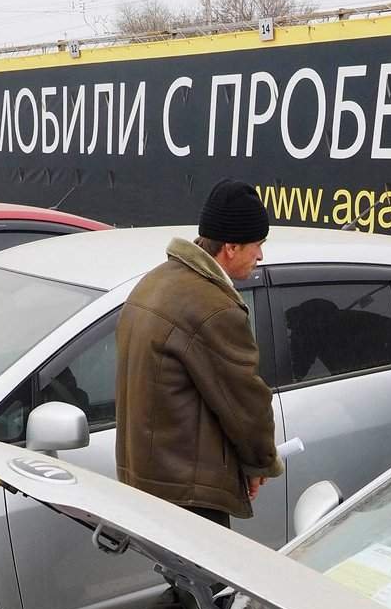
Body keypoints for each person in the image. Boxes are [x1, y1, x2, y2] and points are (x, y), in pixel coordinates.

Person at [115, 177, 283, 528]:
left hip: (147, 480)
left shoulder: (155, 281)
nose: (261, 255)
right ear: (231, 247)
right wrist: (259, 463)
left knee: (180, 581)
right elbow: (244, 402)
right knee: (206, 584)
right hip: (189, 494)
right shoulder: (214, 308)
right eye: (257, 244)